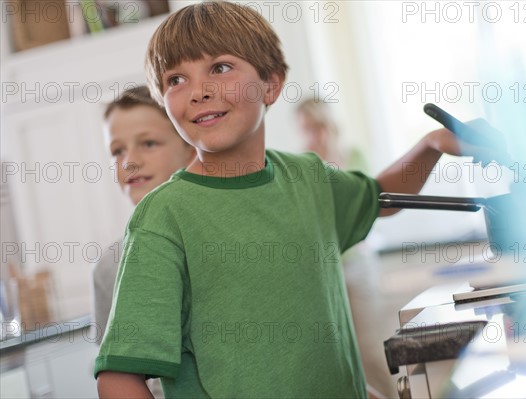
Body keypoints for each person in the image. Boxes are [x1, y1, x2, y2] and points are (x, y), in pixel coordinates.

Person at [94, 3, 491, 398]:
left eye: (219, 67)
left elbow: (380, 197)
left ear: (271, 83)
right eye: (176, 79)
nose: (198, 91)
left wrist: (431, 145)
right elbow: (118, 378)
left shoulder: (309, 178)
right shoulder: (162, 218)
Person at [91, 86, 195, 396]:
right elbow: (116, 375)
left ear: (190, 147)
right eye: (117, 151)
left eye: (148, 143)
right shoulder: (110, 267)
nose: (130, 162)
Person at [296, 98, 367, 172]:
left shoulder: (356, 156)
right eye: (305, 129)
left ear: (329, 125)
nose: (311, 138)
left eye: (316, 127)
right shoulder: (304, 167)